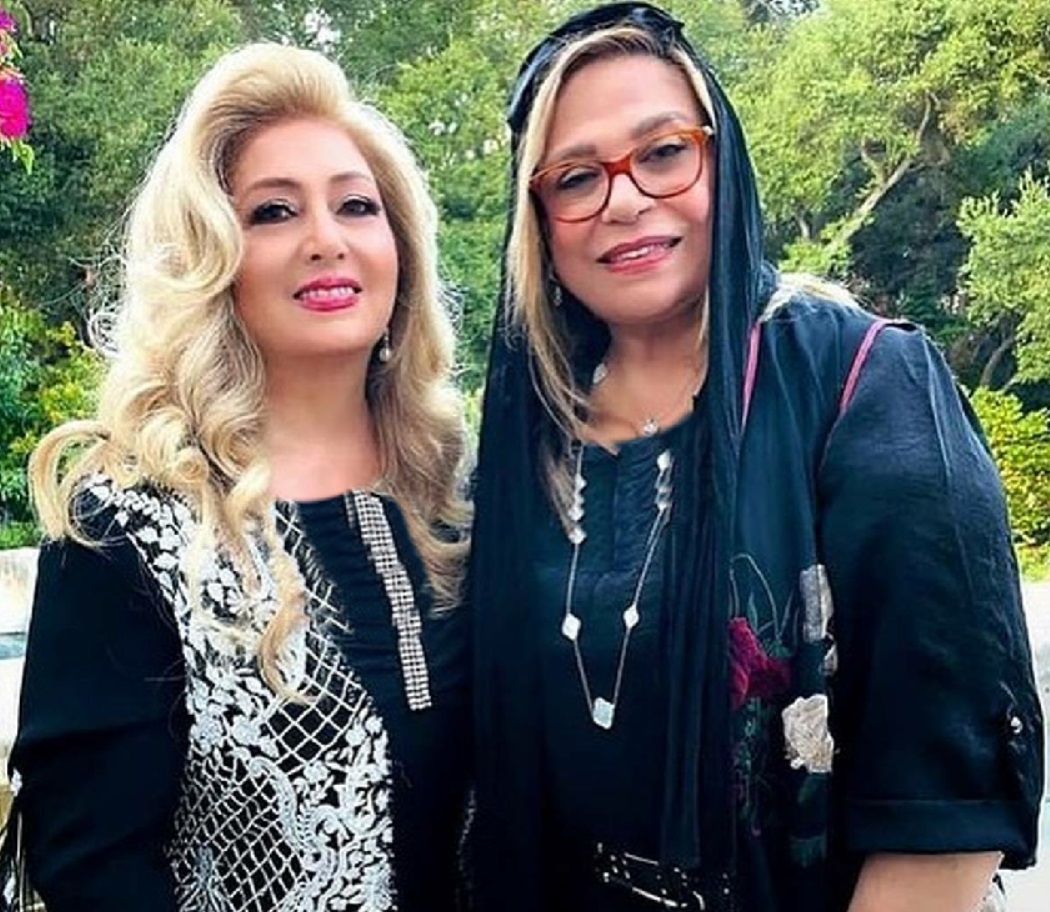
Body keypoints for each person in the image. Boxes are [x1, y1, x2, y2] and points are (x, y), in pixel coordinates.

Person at [469, 4, 1044, 912]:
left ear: (722, 160)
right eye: (576, 177)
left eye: (664, 153)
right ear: (538, 217)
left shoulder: (860, 383)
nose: (624, 199)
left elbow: (945, 804)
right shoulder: (528, 435)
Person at [3, 43, 471, 912]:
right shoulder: (127, 525)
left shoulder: (462, 494)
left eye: (356, 205)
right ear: (211, 257)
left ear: (401, 246)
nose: (326, 240)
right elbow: (96, 873)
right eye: (273, 212)